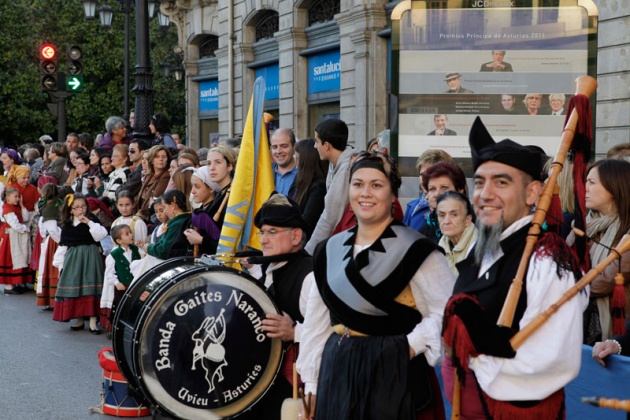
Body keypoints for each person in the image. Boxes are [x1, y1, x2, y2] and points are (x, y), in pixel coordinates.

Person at [441, 117, 586, 419]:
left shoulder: (547, 257)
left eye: (502, 182)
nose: (485, 194)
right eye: (479, 182)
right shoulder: (484, 249)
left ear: (533, 193)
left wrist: (475, 362)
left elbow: (551, 358)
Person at [297, 151, 454, 419]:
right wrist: (311, 382)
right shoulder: (328, 250)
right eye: (358, 184)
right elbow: (317, 322)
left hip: (395, 373)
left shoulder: (417, 251)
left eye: (376, 185)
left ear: (392, 194)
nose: (365, 193)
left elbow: (449, 312)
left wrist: (411, 345)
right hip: (338, 371)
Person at [238, 194, 315, 420]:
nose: (262, 240)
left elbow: (333, 331)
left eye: (272, 232)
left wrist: (294, 332)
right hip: (259, 382)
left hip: (291, 385)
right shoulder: (268, 268)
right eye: (263, 232)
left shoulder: (310, 276)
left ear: (296, 236)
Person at [567, 159, 630, 344]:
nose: (584, 188)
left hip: (612, 332)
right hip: (577, 319)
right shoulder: (584, 225)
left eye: (592, 183)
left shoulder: (626, 232)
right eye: (585, 181)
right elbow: (561, 263)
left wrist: (564, 286)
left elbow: (606, 280)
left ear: (614, 188)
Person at [52, 193, 107, 334]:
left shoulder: (92, 221)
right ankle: (79, 318)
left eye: (83, 206)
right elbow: (63, 245)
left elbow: (101, 235)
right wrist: (60, 266)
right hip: (73, 258)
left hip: (91, 255)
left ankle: (93, 322)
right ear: (71, 210)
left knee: (91, 286)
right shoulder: (68, 225)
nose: (81, 210)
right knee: (77, 286)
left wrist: (88, 222)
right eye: (76, 207)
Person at [304, 118, 354, 254]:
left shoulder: (345, 170)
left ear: (326, 145)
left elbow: (330, 216)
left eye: (316, 141)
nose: (315, 146)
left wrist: (308, 252)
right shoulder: (335, 164)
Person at [100, 224, 144, 332]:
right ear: (119, 240)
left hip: (135, 285)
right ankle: (119, 329)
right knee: (121, 307)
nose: (131, 235)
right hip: (122, 286)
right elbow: (109, 273)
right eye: (127, 234)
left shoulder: (136, 249)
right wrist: (116, 282)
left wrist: (143, 247)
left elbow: (143, 260)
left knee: (135, 306)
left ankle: (134, 328)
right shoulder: (114, 255)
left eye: (130, 232)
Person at [403, 149, 454, 232]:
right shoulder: (412, 207)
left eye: (431, 174)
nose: (424, 179)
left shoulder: (457, 209)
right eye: (422, 175)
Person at [419, 162, 467, 243]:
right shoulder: (425, 231)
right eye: (432, 189)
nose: (437, 194)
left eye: (444, 188)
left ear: (459, 191)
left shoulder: (476, 228)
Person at [180, 166, 222, 256]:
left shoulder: (217, 211)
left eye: (197, 187)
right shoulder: (201, 210)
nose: (192, 191)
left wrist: (201, 240)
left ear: (211, 188)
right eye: (192, 186)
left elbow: (222, 245)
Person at [287, 139, 326, 233]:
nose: (293, 157)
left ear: (305, 158)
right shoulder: (298, 179)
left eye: (296, 154)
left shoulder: (318, 187)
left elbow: (308, 220)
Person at [0, 188, 34, 294]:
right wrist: (27, 229)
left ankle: (16, 283)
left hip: (16, 237)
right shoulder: (7, 209)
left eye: (18, 196)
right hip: (11, 238)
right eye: (15, 196)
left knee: (19, 258)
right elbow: (15, 225)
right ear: (7, 197)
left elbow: (25, 218)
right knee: (11, 259)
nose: (18, 198)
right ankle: (9, 286)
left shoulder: (15, 207)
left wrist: (22, 205)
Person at [139, 190, 190, 259]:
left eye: (164, 207)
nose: (165, 211)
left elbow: (163, 251)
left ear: (173, 205)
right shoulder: (185, 219)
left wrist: (148, 248)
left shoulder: (177, 224)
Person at [436, 191, 477, 276]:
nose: (446, 221)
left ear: (467, 220)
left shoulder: (479, 247)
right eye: (442, 215)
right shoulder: (441, 245)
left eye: (454, 215)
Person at [36, 182, 62, 310]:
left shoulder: (49, 207)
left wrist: (61, 241)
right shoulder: (58, 204)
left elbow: (52, 229)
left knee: (52, 270)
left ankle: (53, 301)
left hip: (54, 241)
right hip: (55, 239)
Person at [135, 145, 172, 222]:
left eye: (163, 157)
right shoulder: (149, 174)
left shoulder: (166, 176)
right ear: (151, 160)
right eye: (157, 157)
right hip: (140, 213)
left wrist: (138, 215)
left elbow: (155, 198)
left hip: (151, 217)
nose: (161, 159)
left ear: (167, 160)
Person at [204, 145, 236, 227]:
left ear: (230, 166)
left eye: (218, 162)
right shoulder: (220, 193)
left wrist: (201, 240)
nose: (212, 168)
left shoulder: (234, 195)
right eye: (209, 163)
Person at [271, 128, 298, 196]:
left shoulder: (304, 174)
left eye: (284, 146)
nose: (278, 151)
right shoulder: (265, 172)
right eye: (274, 147)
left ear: (294, 147)